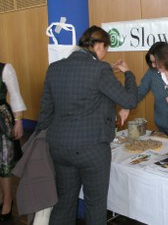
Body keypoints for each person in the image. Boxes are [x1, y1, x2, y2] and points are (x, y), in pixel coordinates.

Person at [34, 25, 139, 225]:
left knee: (64, 202)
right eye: (106, 49)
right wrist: (128, 74)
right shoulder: (100, 69)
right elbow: (130, 100)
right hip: (92, 149)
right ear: (99, 46)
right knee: (95, 204)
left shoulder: (54, 68)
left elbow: (45, 111)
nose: (105, 54)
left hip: (59, 147)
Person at [0, 62, 26, 221]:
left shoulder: (5, 69)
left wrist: (18, 122)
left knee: (4, 163)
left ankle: (8, 200)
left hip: (2, 121)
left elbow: (15, 95)